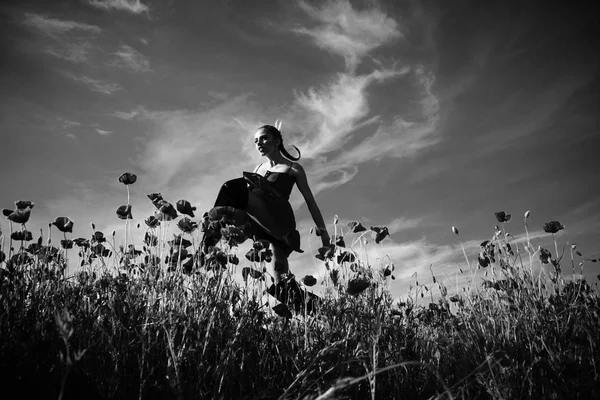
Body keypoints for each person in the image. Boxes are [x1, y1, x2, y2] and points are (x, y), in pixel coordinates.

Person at [207, 124, 330, 285]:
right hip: (261, 223)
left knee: (230, 188)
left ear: (277, 141)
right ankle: (314, 308)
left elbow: (311, 203)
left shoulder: (293, 168)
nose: (259, 143)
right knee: (280, 279)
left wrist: (324, 234)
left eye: (264, 138)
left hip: (279, 218)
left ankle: (207, 246)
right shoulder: (258, 168)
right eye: (256, 141)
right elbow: (247, 200)